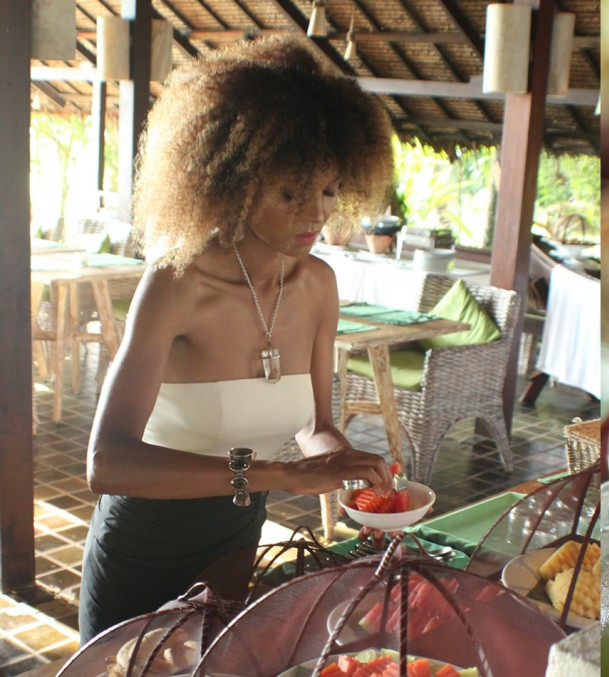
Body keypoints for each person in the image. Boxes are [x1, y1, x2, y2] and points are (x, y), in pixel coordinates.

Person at [79, 35, 396, 643]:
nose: (314, 214)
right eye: (289, 193)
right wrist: (276, 475)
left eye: (328, 189)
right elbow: (107, 463)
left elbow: (314, 427)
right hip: (141, 547)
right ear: (236, 180)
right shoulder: (178, 282)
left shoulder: (319, 286)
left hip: (234, 543)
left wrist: (349, 466)